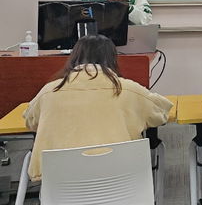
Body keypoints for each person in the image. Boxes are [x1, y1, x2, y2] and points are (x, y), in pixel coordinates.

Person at [23, 34, 172, 182]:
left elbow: (30, 121)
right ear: (113, 59)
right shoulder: (127, 89)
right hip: (121, 181)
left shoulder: (49, 91)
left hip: (60, 183)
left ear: (73, 58)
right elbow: (161, 112)